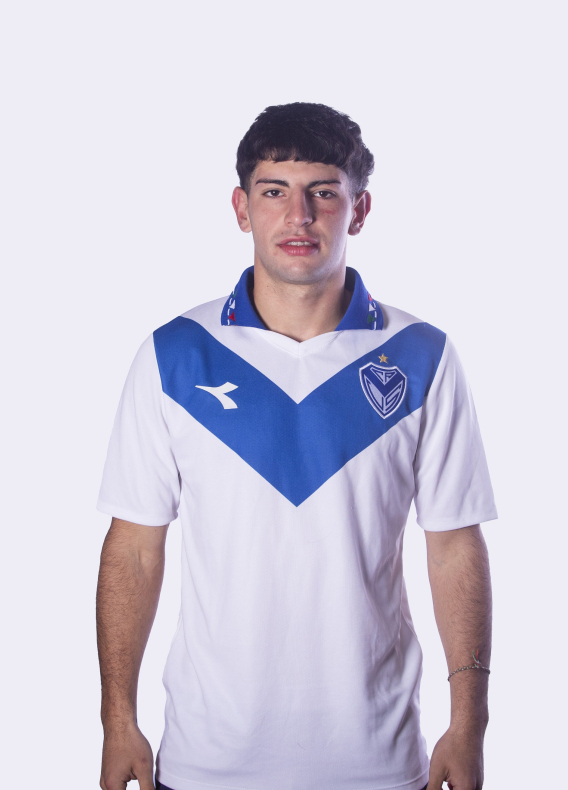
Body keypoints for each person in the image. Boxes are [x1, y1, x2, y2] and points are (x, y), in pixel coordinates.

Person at [96, 102, 497, 790]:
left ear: (359, 210)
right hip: (207, 761)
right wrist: (116, 720)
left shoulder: (420, 356)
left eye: (324, 193)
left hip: (377, 763)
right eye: (274, 191)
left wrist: (468, 726)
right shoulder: (174, 355)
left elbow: (455, 544)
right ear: (241, 208)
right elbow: (133, 545)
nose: (299, 216)